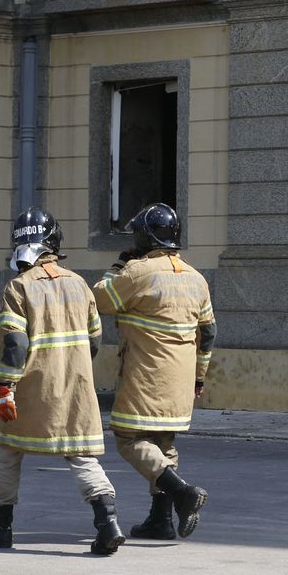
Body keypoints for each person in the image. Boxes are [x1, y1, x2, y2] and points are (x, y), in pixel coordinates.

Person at [0, 208, 125, 555]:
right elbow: (95, 340)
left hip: (32, 388)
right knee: (81, 455)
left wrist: (4, 387)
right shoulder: (79, 283)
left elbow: (15, 344)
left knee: (9, 450)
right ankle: (108, 523)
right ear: (54, 242)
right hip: (76, 388)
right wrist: (75, 368)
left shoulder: (18, 287)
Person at [92, 202, 215, 540]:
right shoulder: (196, 278)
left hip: (146, 376)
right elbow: (209, 333)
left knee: (129, 438)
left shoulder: (137, 273)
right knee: (164, 443)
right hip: (182, 380)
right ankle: (160, 520)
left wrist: (119, 264)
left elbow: (100, 299)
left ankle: (181, 492)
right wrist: (200, 376)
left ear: (145, 237)